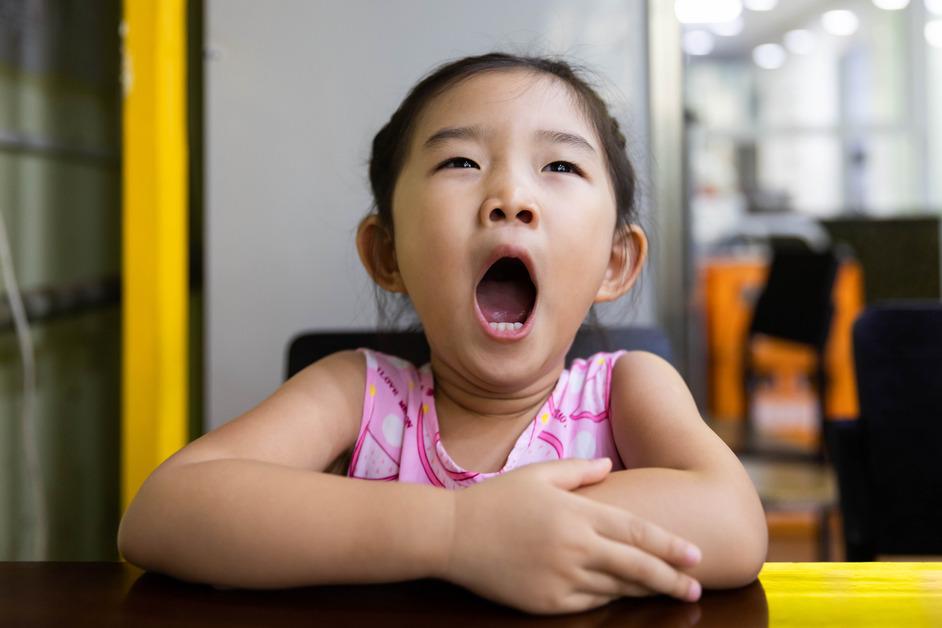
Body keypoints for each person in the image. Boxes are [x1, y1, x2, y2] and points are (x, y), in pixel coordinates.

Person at [117, 52, 767, 615]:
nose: (510, 195)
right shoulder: (358, 393)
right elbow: (161, 514)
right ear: (389, 254)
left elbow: (735, 525)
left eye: (560, 167)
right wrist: (455, 532)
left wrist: (517, 529)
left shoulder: (628, 389)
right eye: (461, 161)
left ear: (614, 262)